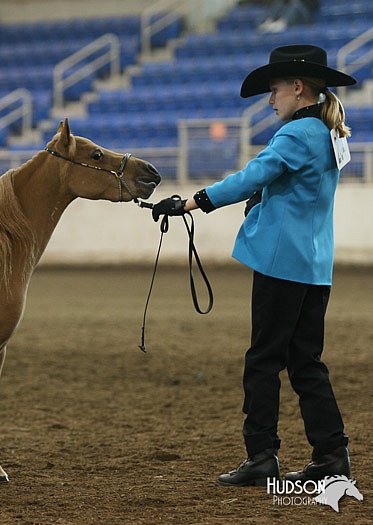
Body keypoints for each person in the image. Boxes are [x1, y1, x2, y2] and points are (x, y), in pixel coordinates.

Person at [152, 44, 356, 486]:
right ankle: (331, 452)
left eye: (276, 89)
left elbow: (251, 176)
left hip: (282, 264)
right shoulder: (328, 134)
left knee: (263, 360)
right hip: (315, 265)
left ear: (298, 88)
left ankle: (261, 454)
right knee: (306, 362)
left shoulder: (296, 135)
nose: (270, 99)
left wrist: (192, 201)